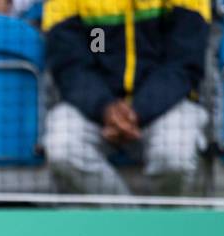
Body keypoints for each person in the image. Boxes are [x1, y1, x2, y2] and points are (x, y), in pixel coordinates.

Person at [43, 0, 210, 195]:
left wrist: (138, 110)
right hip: (93, 104)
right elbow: (70, 65)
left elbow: (183, 63)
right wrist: (104, 107)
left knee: (173, 156)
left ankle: (162, 222)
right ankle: (130, 220)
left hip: (166, 103)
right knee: (62, 147)